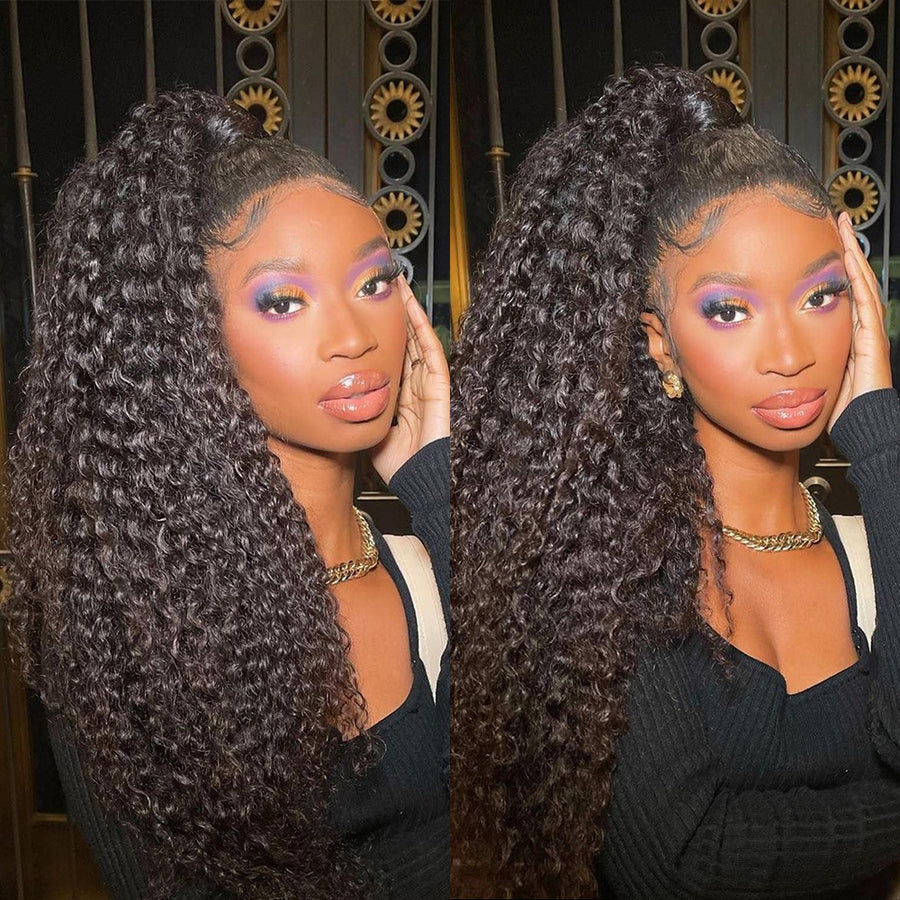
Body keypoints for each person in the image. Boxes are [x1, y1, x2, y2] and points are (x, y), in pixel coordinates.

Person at [450, 64, 900, 899]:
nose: (790, 352)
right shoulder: (610, 563)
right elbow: (682, 863)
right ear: (659, 342)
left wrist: (880, 434)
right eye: (730, 310)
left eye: (820, 296)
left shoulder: (877, 537)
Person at [2, 90, 449, 900]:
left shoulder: (434, 560)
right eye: (284, 301)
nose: (355, 337)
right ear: (191, 341)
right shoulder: (133, 631)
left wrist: (435, 481)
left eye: (375, 281)